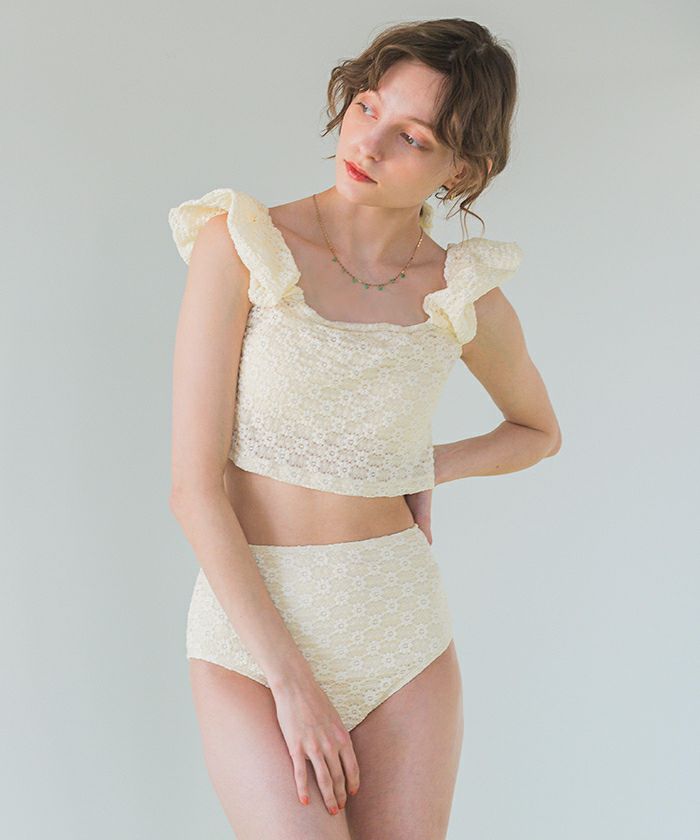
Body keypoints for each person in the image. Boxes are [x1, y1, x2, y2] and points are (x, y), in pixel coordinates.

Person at [167, 17, 561, 840]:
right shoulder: (242, 244)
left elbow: (536, 430)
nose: (368, 143)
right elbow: (192, 489)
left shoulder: (458, 292)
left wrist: (419, 465)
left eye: (412, 137)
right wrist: (293, 685)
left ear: (464, 169)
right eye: (368, 107)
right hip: (251, 634)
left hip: (397, 628)